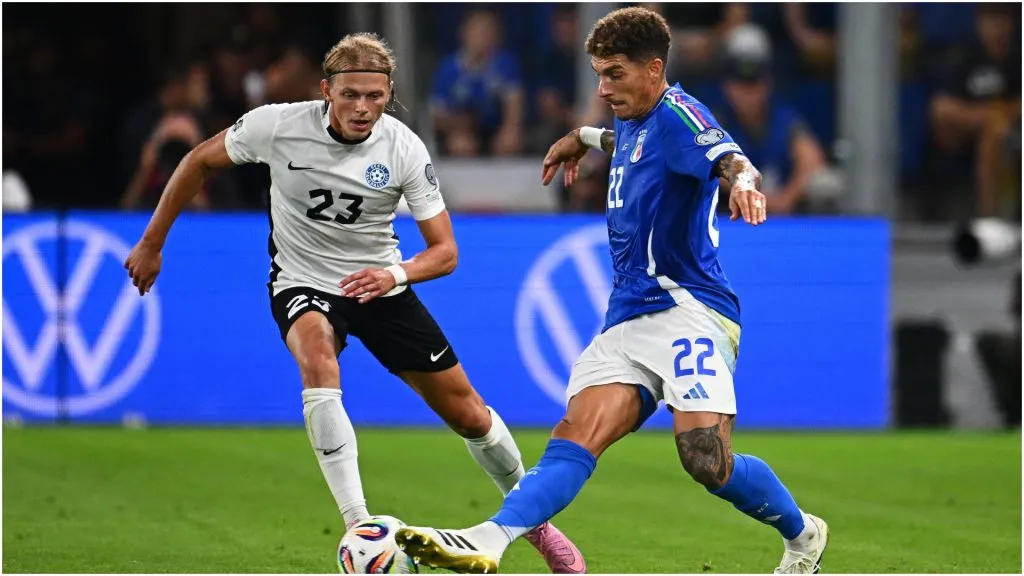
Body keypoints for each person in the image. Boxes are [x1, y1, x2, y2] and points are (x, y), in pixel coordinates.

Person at [123, 32, 585, 574]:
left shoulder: (403, 147)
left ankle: (537, 528)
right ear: (326, 91)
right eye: (350, 96)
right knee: (318, 358)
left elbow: (445, 252)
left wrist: (392, 274)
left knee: (469, 415)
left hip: (381, 286)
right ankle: (358, 527)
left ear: (389, 94)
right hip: (302, 281)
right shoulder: (277, 125)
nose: (363, 108)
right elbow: (198, 161)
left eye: (375, 96)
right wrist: (153, 242)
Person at [395, 8, 828, 574]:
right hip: (626, 318)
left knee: (705, 461)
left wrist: (745, 183)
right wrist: (581, 137)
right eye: (598, 73)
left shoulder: (679, 114)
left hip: (688, 310)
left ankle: (803, 535)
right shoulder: (631, 114)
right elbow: (622, 140)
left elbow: (729, 158)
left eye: (615, 74)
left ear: (654, 69)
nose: (604, 87)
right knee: (576, 435)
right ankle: (490, 537)